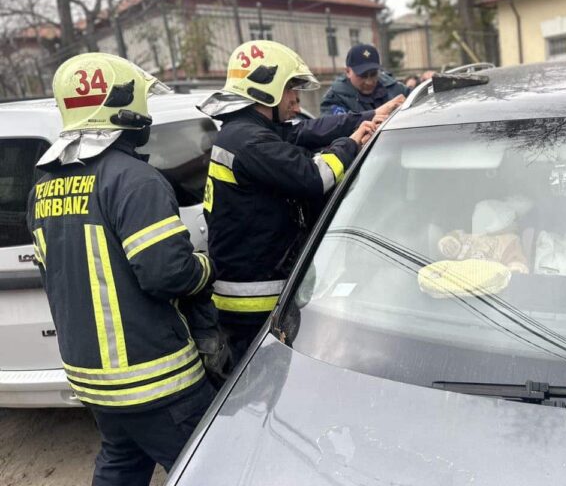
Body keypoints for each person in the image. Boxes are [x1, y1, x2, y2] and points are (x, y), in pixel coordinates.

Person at [26, 53, 219, 486]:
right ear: (126, 108)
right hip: (155, 377)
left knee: (121, 464)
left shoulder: (44, 184)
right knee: (212, 465)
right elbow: (167, 274)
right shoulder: (134, 179)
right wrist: (206, 267)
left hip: (91, 376)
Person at [198, 40, 399, 363]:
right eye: (292, 89)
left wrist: (368, 117)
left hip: (256, 291)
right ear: (270, 91)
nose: (296, 101)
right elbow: (314, 178)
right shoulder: (249, 140)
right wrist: (349, 145)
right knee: (265, 383)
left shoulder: (246, 132)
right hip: (254, 301)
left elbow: (304, 131)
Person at [320, 43, 408, 115]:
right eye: (362, 76)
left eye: (373, 74)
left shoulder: (394, 88)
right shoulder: (335, 99)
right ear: (348, 72)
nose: (369, 82)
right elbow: (335, 129)